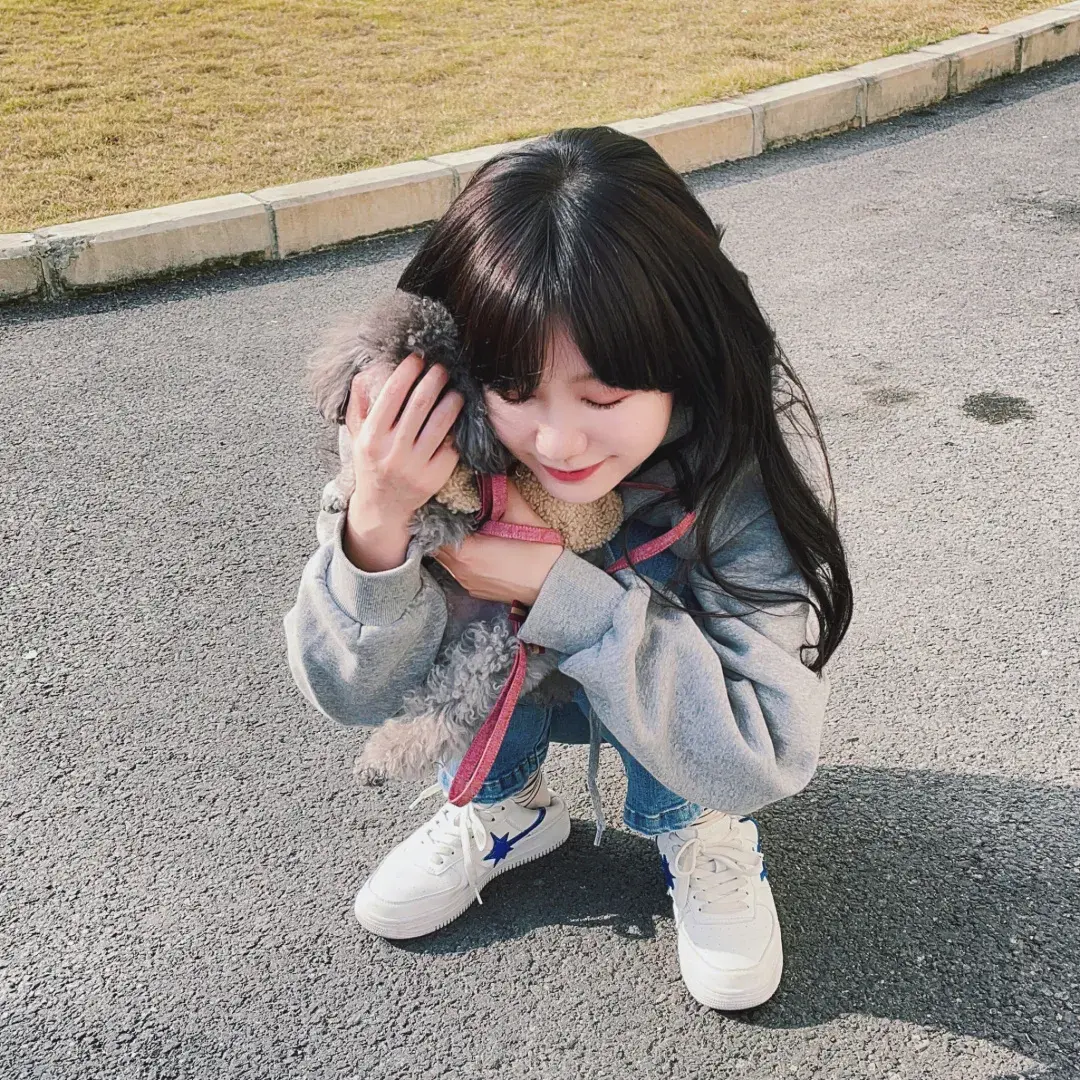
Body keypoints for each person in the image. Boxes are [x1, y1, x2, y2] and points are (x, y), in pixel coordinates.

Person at [283, 125, 853, 1011]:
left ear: (686, 362)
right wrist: (378, 521)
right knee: (459, 617)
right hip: (514, 694)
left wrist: (556, 593)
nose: (557, 442)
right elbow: (351, 693)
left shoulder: (733, 474)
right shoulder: (423, 456)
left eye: (604, 395)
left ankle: (693, 823)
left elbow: (763, 753)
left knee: (656, 625)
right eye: (514, 390)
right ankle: (503, 803)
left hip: (693, 736)